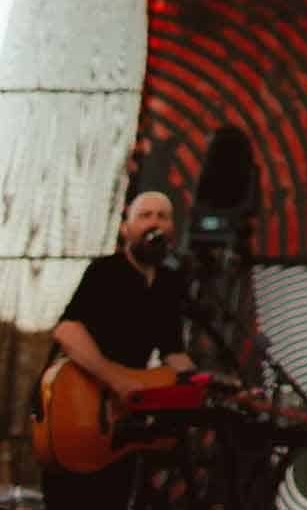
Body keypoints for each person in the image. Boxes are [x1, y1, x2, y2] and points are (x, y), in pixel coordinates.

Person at [41, 190, 195, 510]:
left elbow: (172, 351)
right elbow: (68, 330)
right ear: (126, 228)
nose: (154, 222)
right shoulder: (106, 271)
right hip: (80, 405)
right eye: (145, 215)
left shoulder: (169, 284)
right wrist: (117, 380)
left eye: (162, 216)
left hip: (122, 426)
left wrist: (206, 385)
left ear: (172, 231)